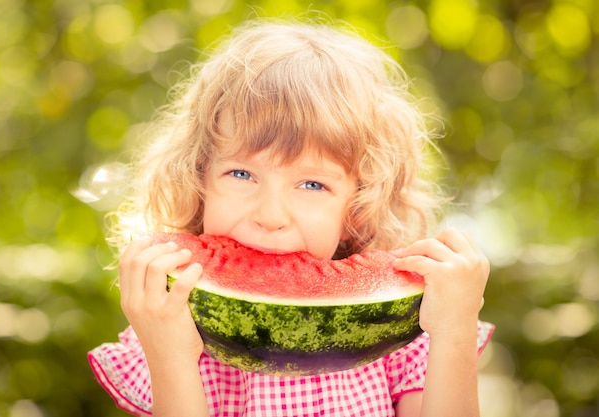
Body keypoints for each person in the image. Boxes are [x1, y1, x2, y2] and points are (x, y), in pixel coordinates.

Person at [88, 17, 494, 417]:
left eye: (312, 185)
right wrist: (171, 357)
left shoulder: (403, 330)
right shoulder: (165, 324)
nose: (270, 215)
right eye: (241, 174)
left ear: (358, 202)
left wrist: (454, 329)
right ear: (198, 178)